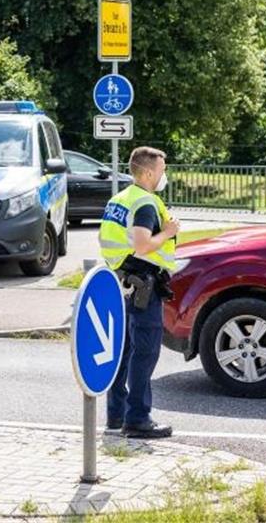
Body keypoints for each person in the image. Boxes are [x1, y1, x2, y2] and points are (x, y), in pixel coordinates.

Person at [99, 146, 180, 439]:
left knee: (125, 351)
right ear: (147, 172)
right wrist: (168, 232)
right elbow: (144, 244)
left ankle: (116, 415)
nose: (164, 175)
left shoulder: (119, 199)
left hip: (123, 280)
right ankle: (137, 419)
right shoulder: (145, 203)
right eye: (161, 170)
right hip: (144, 283)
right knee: (144, 352)